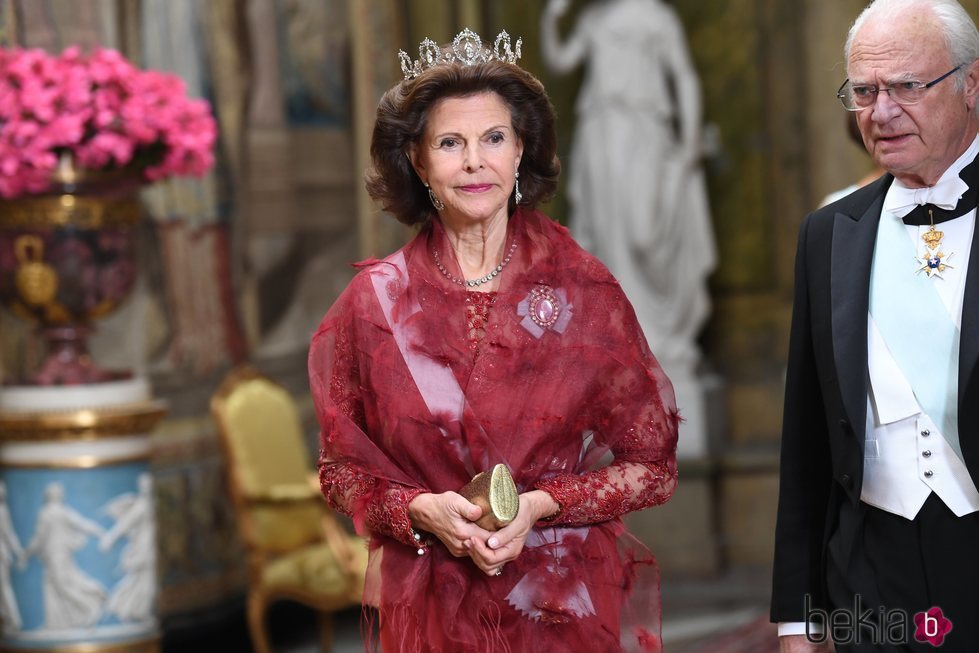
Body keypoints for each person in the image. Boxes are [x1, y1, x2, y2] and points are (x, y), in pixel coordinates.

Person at [310, 28, 679, 653]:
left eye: (494, 138)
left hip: (560, 604)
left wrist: (540, 505)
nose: (475, 161)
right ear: (418, 162)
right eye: (450, 143)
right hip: (432, 605)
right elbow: (340, 474)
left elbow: (653, 469)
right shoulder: (373, 303)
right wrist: (417, 510)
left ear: (520, 151)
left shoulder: (584, 292)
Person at [771, 1, 979, 652]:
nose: (880, 112)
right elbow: (804, 440)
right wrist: (795, 618)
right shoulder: (827, 232)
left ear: (971, 83)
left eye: (906, 87)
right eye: (863, 91)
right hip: (868, 575)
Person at [540, 0, 716, 456]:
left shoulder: (657, 17)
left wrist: (690, 138)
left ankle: (660, 335)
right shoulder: (593, 20)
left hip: (647, 132)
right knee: (608, 238)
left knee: (643, 232)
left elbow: (685, 76)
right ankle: (621, 339)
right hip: (602, 131)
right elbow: (560, 59)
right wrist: (552, 17)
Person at [23, 482, 107, 630]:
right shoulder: (63, 511)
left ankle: (89, 608)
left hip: (55, 555)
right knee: (56, 586)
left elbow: (39, 538)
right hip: (60, 555)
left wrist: (26, 554)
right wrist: (100, 531)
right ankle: (55, 624)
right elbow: (83, 523)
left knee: (61, 586)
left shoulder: (47, 513)